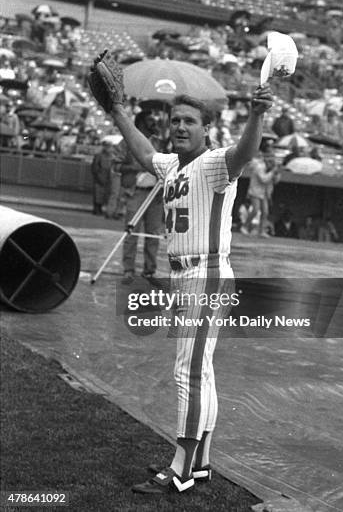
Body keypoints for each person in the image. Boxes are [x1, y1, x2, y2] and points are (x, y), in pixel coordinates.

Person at [103, 82, 273, 495]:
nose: (179, 126)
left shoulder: (214, 163)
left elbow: (244, 153)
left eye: (190, 121)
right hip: (186, 276)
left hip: (206, 274)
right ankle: (201, 464)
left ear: (206, 130)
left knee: (188, 372)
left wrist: (255, 115)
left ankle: (180, 469)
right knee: (202, 372)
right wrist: (118, 111)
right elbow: (145, 153)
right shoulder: (172, 166)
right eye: (175, 120)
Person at [119, 108, 165, 283]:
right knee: (131, 233)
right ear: (140, 123)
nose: (154, 123)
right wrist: (137, 167)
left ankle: (149, 271)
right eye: (150, 120)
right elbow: (116, 166)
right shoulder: (126, 144)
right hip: (136, 192)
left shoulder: (161, 144)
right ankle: (128, 270)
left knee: (153, 234)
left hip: (156, 194)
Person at [242, 150, 280, 238]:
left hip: (265, 193)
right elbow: (264, 179)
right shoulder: (259, 166)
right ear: (265, 159)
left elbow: (275, 181)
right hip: (255, 191)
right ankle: (245, 227)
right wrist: (272, 173)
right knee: (255, 210)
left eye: (272, 160)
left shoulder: (271, 168)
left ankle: (262, 231)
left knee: (265, 212)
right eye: (270, 160)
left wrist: (276, 174)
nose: (271, 162)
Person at [91, 141, 114, 215]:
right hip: (99, 177)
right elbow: (95, 167)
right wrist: (97, 176)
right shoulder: (99, 155)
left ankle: (100, 208)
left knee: (104, 194)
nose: (109, 149)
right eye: (108, 147)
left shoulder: (111, 157)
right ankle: (96, 209)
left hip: (107, 178)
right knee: (97, 194)